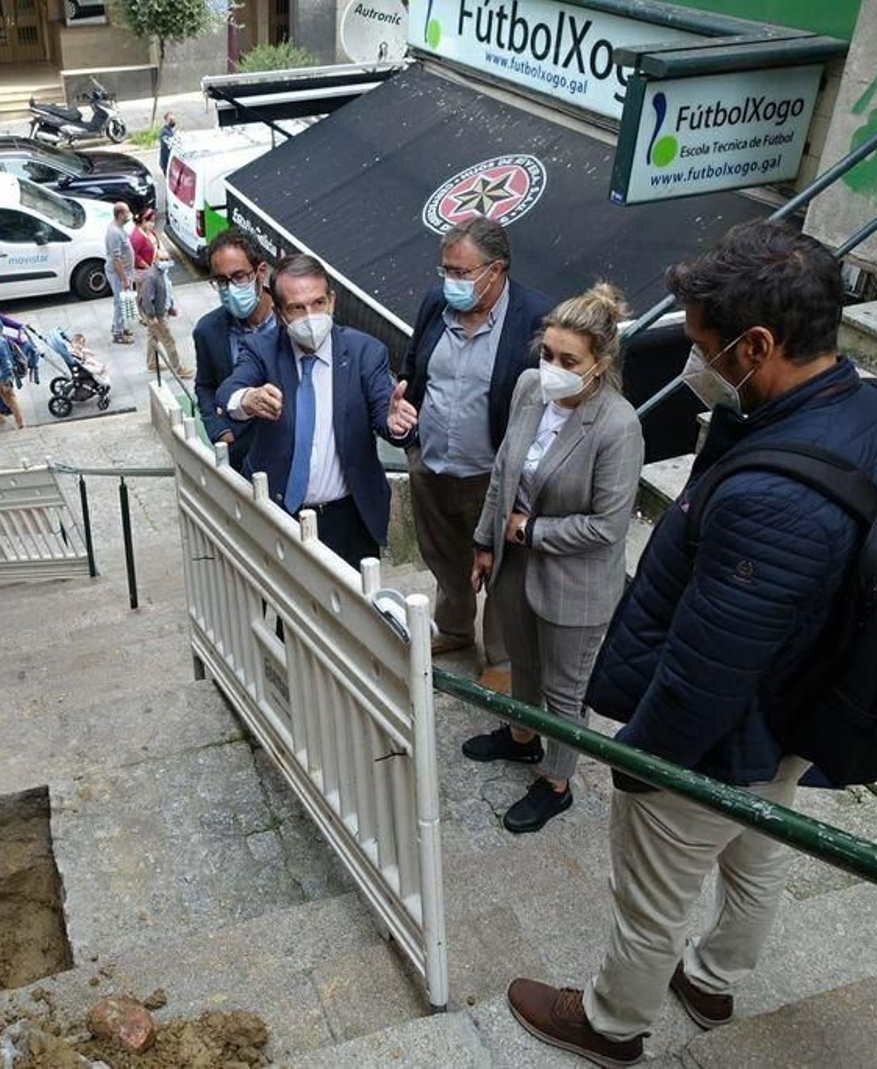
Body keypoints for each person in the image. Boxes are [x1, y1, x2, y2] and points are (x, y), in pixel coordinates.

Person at [506, 222, 877, 1067]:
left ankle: (611, 1023)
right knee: (758, 849)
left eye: (704, 345)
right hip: (800, 713)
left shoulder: (775, 500)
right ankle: (716, 977)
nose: (697, 362)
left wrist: (639, 764)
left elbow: (707, 669)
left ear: (757, 344)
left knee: (652, 893)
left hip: (727, 733)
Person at [463, 283, 643, 834]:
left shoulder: (618, 425)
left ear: (600, 364)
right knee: (523, 661)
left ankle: (557, 782)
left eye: (569, 361)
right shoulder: (528, 390)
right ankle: (520, 737)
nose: (552, 368)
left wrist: (532, 530)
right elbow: (503, 470)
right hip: (516, 565)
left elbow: (607, 526)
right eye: (547, 354)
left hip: (575, 582)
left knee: (566, 689)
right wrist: (485, 539)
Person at [400, 216, 553, 660]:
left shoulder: (536, 317)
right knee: (444, 556)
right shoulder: (435, 303)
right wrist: (405, 422)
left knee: (503, 568)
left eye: (461, 272)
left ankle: (502, 657)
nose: (450, 281)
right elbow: (414, 368)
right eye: (445, 270)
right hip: (431, 464)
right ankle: (454, 628)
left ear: (496, 269)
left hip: (492, 473)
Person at [220, 254, 418, 566]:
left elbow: (385, 411)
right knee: (288, 607)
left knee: (354, 610)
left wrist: (396, 424)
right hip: (279, 512)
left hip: (349, 517)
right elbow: (229, 392)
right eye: (297, 308)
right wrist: (247, 399)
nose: (310, 316)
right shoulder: (263, 350)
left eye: (318, 303)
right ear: (280, 312)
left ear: (332, 301)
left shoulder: (364, 351)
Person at [194, 228, 276, 473]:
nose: (230, 288)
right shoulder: (208, 331)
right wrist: (219, 430)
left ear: (260, 272)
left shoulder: (290, 321)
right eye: (221, 281)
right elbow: (205, 385)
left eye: (239, 276)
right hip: (242, 457)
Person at [138, 253, 192, 377]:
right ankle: (179, 369)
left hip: (162, 311)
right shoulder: (152, 276)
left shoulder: (163, 273)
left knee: (153, 337)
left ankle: (152, 363)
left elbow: (166, 292)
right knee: (169, 341)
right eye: (161, 259)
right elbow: (147, 299)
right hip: (156, 315)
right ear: (155, 260)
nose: (165, 262)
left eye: (167, 259)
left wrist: (170, 307)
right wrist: (151, 317)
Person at [105, 202, 135, 345]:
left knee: (123, 300)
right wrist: (123, 278)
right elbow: (116, 259)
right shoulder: (114, 233)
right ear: (120, 215)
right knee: (120, 302)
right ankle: (118, 333)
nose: (129, 216)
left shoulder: (119, 228)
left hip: (124, 272)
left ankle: (119, 326)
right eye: (127, 213)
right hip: (118, 274)